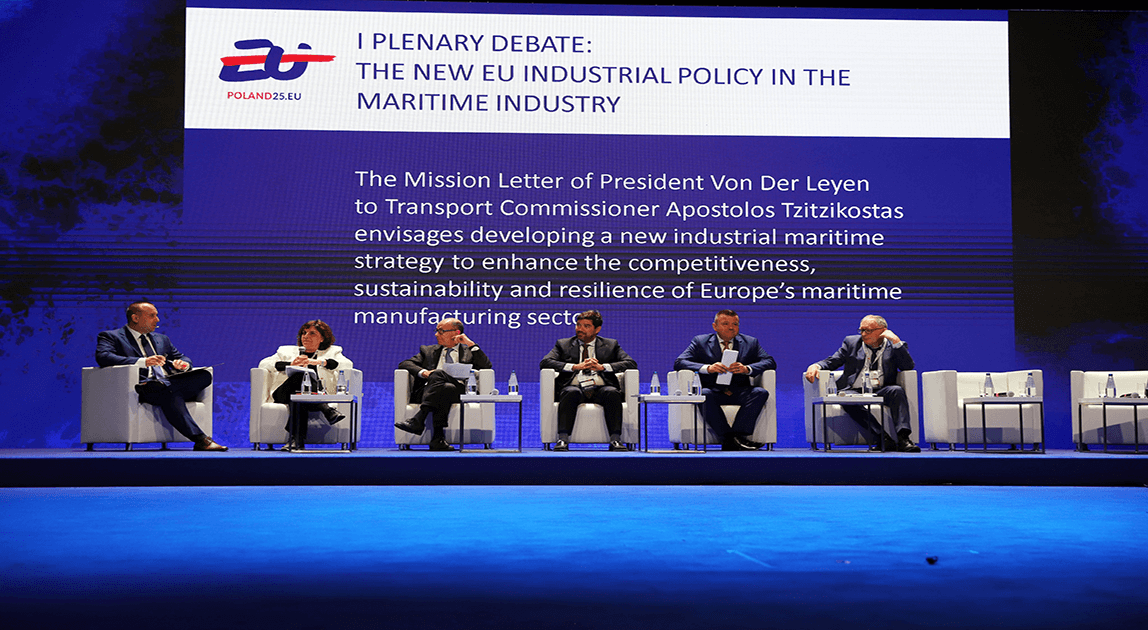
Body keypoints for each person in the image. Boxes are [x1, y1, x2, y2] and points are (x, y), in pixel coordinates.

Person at [95, 301, 227, 451]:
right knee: (169, 392)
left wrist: (183, 364)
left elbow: (182, 357)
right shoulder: (111, 336)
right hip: (143, 386)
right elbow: (103, 357)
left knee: (203, 375)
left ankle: (165, 386)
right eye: (152, 316)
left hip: (167, 384)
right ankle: (202, 440)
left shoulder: (161, 339)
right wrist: (143, 362)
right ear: (135, 318)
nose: (157, 320)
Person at [803, 314, 921, 453]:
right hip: (854, 389)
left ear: (883, 331)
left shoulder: (895, 345)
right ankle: (882, 438)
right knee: (846, 398)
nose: (863, 334)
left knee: (897, 391)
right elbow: (833, 361)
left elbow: (907, 366)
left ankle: (903, 439)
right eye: (861, 330)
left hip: (881, 389)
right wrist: (816, 366)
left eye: (868, 330)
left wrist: (896, 341)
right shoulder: (852, 343)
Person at [674, 309, 776, 451]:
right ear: (715, 326)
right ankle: (730, 438)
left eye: (735, 324)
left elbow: (770, 361)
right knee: (704, 394)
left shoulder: (750, 342)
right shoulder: (700, 342)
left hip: (740, 391)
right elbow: (679, 362)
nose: (731, 327)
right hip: (713, 391)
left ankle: (736, 436)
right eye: (725, 324)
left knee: (760, 392)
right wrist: (708, 368)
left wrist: (747, 369)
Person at [540, 310, 637, 452]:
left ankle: (615, 440)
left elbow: (631, 363)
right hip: (575, 387)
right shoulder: (563, 344)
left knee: (611, 392)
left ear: (597, 329)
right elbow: (545, 362)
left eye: (586, 326)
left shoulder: (610, 345)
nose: (580, 329)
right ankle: (563, 439)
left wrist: (602, 367)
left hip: (601, 388)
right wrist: (575, 367)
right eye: (578, 325)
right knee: (570, 392)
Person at [395, 318, 492, 451]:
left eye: (441, 331)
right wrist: (424, 373)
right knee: (445, 387)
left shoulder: (469, 351)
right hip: (429, 391)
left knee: (440, 376)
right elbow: (405, 364)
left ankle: (419, 419)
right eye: (436, 331)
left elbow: (486, 366)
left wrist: (470, 344)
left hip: (459, 391)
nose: (436, 334)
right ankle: (437, 439)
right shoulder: (428, 350)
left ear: (456, 333)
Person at [258, 320, 351, 451]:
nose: (306, 336)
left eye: (312, 333)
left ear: (322, 338)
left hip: (308, 396)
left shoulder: (332, 352)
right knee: (300, 376)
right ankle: (326, 409)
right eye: (304, 333)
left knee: (299, 400)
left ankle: (296, 440)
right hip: (283, 393)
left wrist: (318, 362)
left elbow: (344, 364)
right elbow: (264, 364)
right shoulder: (285, 352)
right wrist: (291, 364)